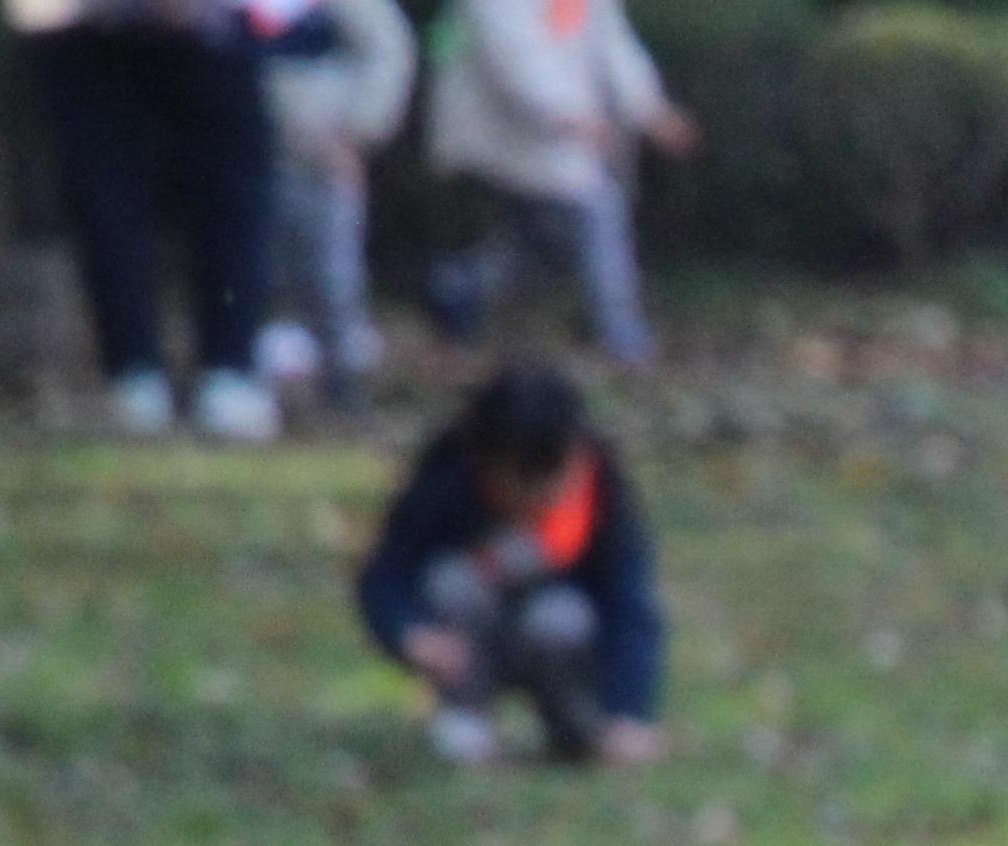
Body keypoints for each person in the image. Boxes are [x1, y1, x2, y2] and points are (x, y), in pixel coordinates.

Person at [354, 360, 665, 767]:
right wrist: (408, 632)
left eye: (548, 480)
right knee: (452, 581)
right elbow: (387, 568)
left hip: (560, 635)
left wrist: (629, 710)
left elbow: (630, 601)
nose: (533, 497)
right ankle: (464, 720)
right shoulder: (448, 476)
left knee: (561, 618)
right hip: (473, 635)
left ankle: (582, 731)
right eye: (517, 480)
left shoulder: (598, 487)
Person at [8, 0, 284, 439]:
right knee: (108, 208)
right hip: (89, 34)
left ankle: (228, 367)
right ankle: (133, 372)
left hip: (217, 32)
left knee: (229, 209)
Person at [423, 0, 687, 365]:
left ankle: (457, 286)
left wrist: (649, 108)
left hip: (566, 140)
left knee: (546, 246)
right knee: (595, 213)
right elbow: (515, 58)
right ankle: (622, 336)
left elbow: (612, 44)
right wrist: (570, 115)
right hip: (510, 135)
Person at [257, 0, 410, 396]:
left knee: (331, 275)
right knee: (255, 269)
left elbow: (386, 50)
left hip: (322, 157)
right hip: (245, 155)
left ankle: (340, 381)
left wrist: (359, 130)